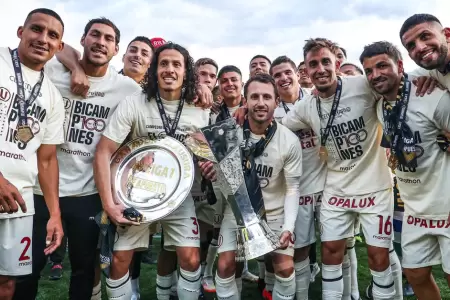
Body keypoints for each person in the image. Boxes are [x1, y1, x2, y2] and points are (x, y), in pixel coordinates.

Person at [13, 17, 143, 300]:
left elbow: (157, 102)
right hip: (40, 187)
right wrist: (74, 67)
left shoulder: (127, 89)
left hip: (87, 193)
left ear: (116, 49)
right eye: (94, 35)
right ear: (82, 39)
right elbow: (57, 47)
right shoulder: (53, 68)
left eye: (108, 39)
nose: (100, 42)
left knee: (85, 270)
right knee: (28, 269)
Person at [93, 42, 211, 300]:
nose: (169, 69)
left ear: (186, 72)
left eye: (176, 64)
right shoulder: (134, 103)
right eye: (163, 64)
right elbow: (103, 151)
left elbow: (210, 155)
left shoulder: (200, 108)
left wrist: (208, 153)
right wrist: (110, 204)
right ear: (154, 70)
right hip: (136, 195)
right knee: (120, 260)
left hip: (180, 196)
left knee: (191, 260)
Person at [281, 38, 396, 300]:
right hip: (335, 190)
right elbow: (279, 128)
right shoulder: (306, 106)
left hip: (375, 188)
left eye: (325, 62)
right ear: (305, 71)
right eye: (313, 64)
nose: (320, 69)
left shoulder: (363, 85)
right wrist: (245, 111)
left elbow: (396, 88)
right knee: (331, 251)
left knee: (379, 256)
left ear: (338, 63)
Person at [361, 40, 450, 300]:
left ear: (400, 66)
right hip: (414, 209)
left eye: (382, 66)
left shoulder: (432, 97)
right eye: (368, 71)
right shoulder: (381, 107)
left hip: (446, 206)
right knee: (415, 274)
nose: (375, 75)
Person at [202, 73, 303, 300]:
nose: (260, 102)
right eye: (254, 96)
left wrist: (287, 226)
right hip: (238, 212)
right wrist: (211, 173)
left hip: (275, 213)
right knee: (226, 266)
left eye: (267, 97)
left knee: (285, 269)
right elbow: (221, 182)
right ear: (244, 101)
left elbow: (292, 189)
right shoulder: (227, 133)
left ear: (276, 102)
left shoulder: (288, 140)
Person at [0, 8, 66, 300]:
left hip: (20, 203)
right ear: (20, 32)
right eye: (36, 29)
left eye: (52, 35)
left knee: (7, 284)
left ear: (60, 46)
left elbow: (47, 159)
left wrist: (54, 215)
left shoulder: (53, 96)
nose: (43, 39)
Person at [271, 55, 326, 300]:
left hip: (328, 182)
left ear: (297, 73)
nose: (283, 78)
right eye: (277, 75)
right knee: (301, 248)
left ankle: (351, 293)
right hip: (296, 189)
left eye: (287, 72)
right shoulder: (271, 109)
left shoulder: (317, 96)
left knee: (339, 245)